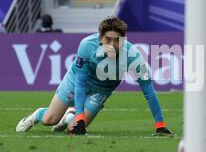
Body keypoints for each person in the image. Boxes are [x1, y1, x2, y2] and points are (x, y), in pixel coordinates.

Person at [16, 17, 172, 136]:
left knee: (74, 130)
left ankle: (69, 117)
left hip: (101, 91)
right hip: (75, 82)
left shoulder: (134, 56)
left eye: (117, 40)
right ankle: (37, 114)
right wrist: (80, 115)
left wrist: (160, 125)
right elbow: (81, 84)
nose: (112, 44)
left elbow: (148, 90)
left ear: (123, 40)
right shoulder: (86, 45)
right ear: (100, 38)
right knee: (49, 120)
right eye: (107, 40)